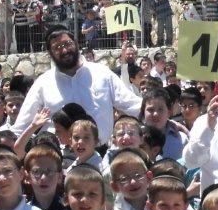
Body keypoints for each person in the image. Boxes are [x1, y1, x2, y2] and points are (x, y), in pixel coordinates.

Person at [10, 29, 142, 150]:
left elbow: (133, 106)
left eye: (67, 44)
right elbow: (20, 129)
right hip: (58, 163)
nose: (64, 50)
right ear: (49, 53)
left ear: (76, 43)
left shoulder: (102, 74)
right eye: (57, 47)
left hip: (100, 157)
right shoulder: (43, 83)